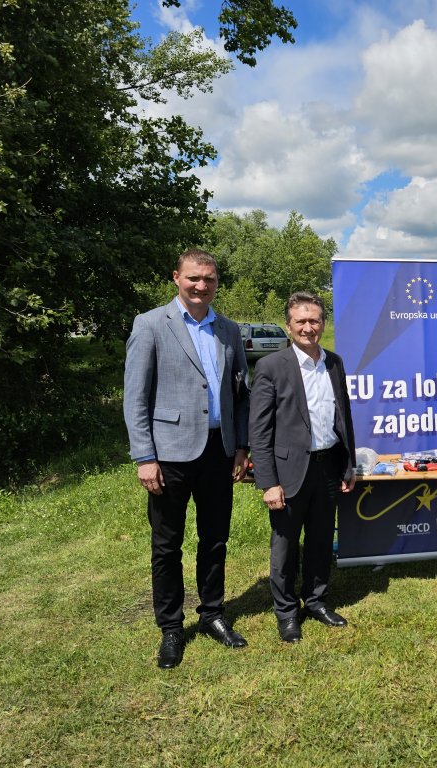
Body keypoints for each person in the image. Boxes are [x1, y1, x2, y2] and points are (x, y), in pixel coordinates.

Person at [123, 249, 251, 669]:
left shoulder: (229, 330)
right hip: (169, 455)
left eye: (209, 279)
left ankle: (212, 614)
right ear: (176, 277)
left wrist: (241, 446)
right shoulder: (150, 324)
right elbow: (135, 398)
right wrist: (145, 456)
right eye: (194, 278)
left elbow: (241, 395)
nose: (201, 285)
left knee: (215, 539)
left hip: (219, 451)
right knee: (167, 546)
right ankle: (171, 628)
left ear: (217, 283)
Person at [249, 292, 357, 644]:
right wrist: (268, 482)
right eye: (301, 321)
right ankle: (286, 613)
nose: (308, 327)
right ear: (288, 326)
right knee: (284, 546)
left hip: (328, 466)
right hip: (289, 472)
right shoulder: (271, 367)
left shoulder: (335, 363)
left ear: (323, 323)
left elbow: (344, 417)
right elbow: (259, 430)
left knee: (321, 540)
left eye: (315, 320)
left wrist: (349, 464)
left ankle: (315, 600)